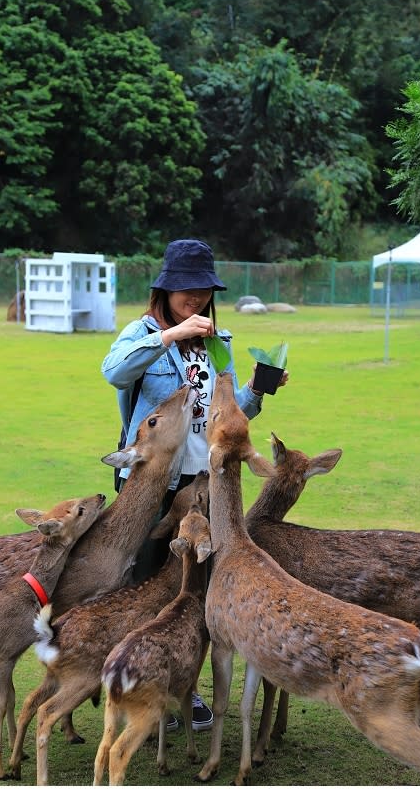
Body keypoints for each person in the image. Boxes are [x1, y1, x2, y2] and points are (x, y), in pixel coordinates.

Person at [101, 238, 288, 732]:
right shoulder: (141, 333)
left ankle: (186, 691)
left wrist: (257, 389)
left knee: (191, 591)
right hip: (149, 485)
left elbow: (225, 417)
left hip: (202, 484)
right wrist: (172, 334)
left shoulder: (215, 341)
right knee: (141, 586)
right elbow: (113, 373)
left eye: (204, 290)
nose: (198, 299)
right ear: (165, 290)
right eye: (188, 289)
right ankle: (134, 683)